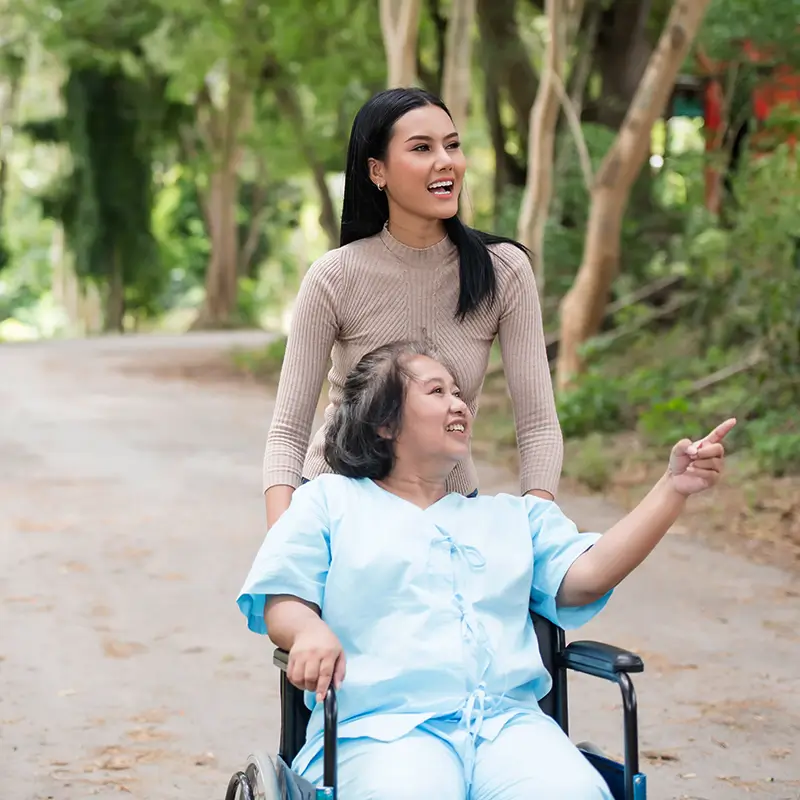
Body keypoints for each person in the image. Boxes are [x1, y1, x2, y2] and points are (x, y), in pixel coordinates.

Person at [238, 341, 735, 799]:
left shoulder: (511, 517)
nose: (460, 404)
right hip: (383, 729)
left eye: (459, 392)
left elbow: (589, 575)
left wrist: (672, 490)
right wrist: (308, 631)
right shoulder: (329, 502)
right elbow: (284, 596)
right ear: (384, 423)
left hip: (510, 728)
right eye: (437, 391)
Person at [263, 87, 563, 530]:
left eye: (453, 145)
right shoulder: (334, 276)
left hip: (451, 511)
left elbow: (537, 424)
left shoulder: (503, 270)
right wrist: (284, 544)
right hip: (338, 511)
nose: (446, 161)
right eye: (422, 148)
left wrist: (539, 534)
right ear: (377, 171)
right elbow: (287, 431)